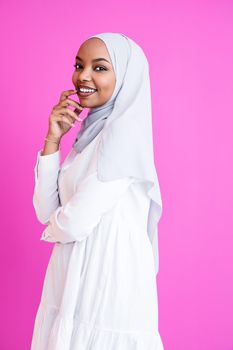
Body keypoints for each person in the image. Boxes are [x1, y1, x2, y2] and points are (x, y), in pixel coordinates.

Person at [30, 32, 164, 350]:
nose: (83, 76)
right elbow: (46, 212)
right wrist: (53, 141)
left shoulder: (123, 135)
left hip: (105, 285)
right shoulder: (91, 134)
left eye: (100, 68)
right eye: (79, 65)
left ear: (126, 78)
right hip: (74, 281)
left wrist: (58, 227)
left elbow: (74, 223)